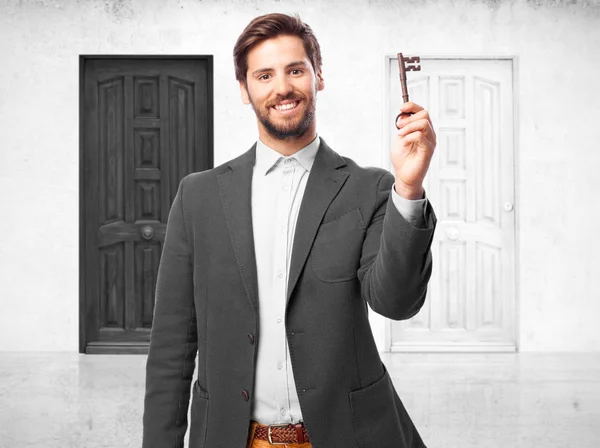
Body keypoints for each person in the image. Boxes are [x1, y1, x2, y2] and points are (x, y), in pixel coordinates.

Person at [142, 12, 437, 448]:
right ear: (244, 90)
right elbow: (171, 347)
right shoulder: (198, 198)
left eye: (295, 70)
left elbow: (395, 302)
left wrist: (408, 187)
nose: (282, 87)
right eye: (264, 75)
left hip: (348, 436)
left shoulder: (369, 189)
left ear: (318, 77)